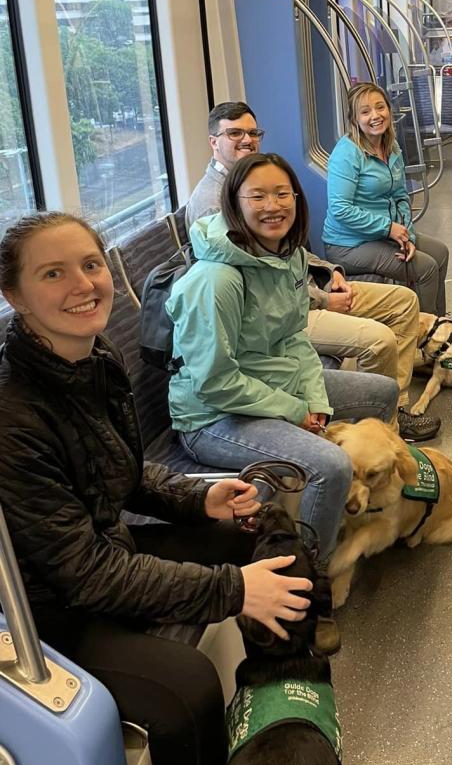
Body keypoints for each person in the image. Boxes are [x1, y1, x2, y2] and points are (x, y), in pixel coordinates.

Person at [0, 212, 316, 765]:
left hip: (100, 549)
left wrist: (197, 499)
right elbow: (84, 575)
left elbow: (123, 468)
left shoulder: (95, 355)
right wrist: (232, 590)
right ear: (13, 295)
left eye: (91, 265)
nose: (84, 285)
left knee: (244, 537)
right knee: (186, 689)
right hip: (51, 608)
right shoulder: (12, 417)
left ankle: (266, 705)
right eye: (53, 273)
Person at [168, 152, 400, 555]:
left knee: (382, 393)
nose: (273, 206)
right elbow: (215, 383)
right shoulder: (215, 282)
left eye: (282, 193)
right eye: (257, 197)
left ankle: (349, 510)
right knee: (330, 466)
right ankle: (309, 578)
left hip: (276, 382)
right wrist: (295, 411)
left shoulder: (287, 255)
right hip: (215, 415)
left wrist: (314, 399)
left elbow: (294, 337)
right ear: (234, 203)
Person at [185, 100, 437, 441]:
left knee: (404, 302)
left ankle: (397, 407)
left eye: (252, 132)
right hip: (282, 313)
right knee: (379, 341)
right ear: (214, 141)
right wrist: (320, 299)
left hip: (307, 289)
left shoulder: (259, 178)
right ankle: (373, 433)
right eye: (234, 133)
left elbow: (288, 251)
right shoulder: (212, 204)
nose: (247, 140)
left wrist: (330, 271)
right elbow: (262, 291)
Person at [321, 83, 450, 316]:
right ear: (354, 120)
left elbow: (400, 196)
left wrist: (406, 235)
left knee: (440, 253)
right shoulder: (347, 153)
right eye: (365, 111)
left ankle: (440, 326)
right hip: (349, 244)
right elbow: (340, 209)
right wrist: (389, 228)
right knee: (426, 268)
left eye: (380, 107)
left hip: (384, 234)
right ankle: (424, 337)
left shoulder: (391, 146)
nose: (375, 116)